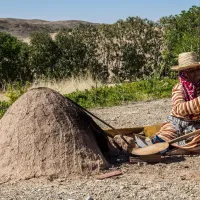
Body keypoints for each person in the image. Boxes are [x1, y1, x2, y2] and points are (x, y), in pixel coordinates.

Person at [149, 52, 200, 150]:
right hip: (178, 122)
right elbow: (179, 108)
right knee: (167, 135)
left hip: (196, 124)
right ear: (185, 74)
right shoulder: (179, 88)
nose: (197, 73)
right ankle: (155, 147)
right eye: (191, 71)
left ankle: (188, 144)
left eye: (198, 69)